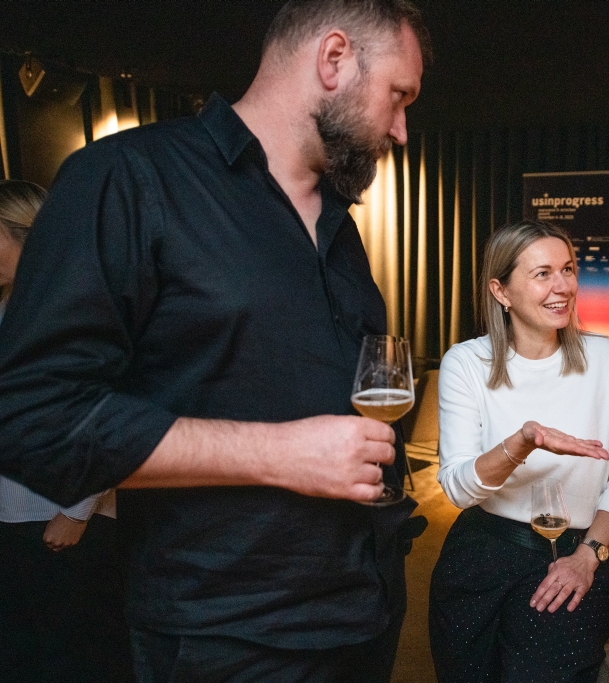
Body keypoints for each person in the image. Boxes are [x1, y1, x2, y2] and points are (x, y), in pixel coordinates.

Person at [0, 2, 430, 682]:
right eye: (398, 97)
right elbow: (33, 416)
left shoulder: (339, 225)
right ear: (334, 59)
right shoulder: (129, 178)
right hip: (225, 636)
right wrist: (278, 453)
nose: (400, 130)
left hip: (364, 613)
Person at [429, 219, 609, 683]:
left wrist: (589, 555)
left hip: (574, 553)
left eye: (568, 270)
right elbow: (459, 490)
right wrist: (521, 442)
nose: (563, 286)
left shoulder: (604, 357)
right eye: (543, 274)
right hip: (481, 555)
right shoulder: (466, 363)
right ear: (501, 291)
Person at [0, 179, 130, 683]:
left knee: (78, 659)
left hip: (64, 519)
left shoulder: (81, 304)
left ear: (24, 232)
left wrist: (76, 512)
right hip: (10, 518)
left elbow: (111, 413)